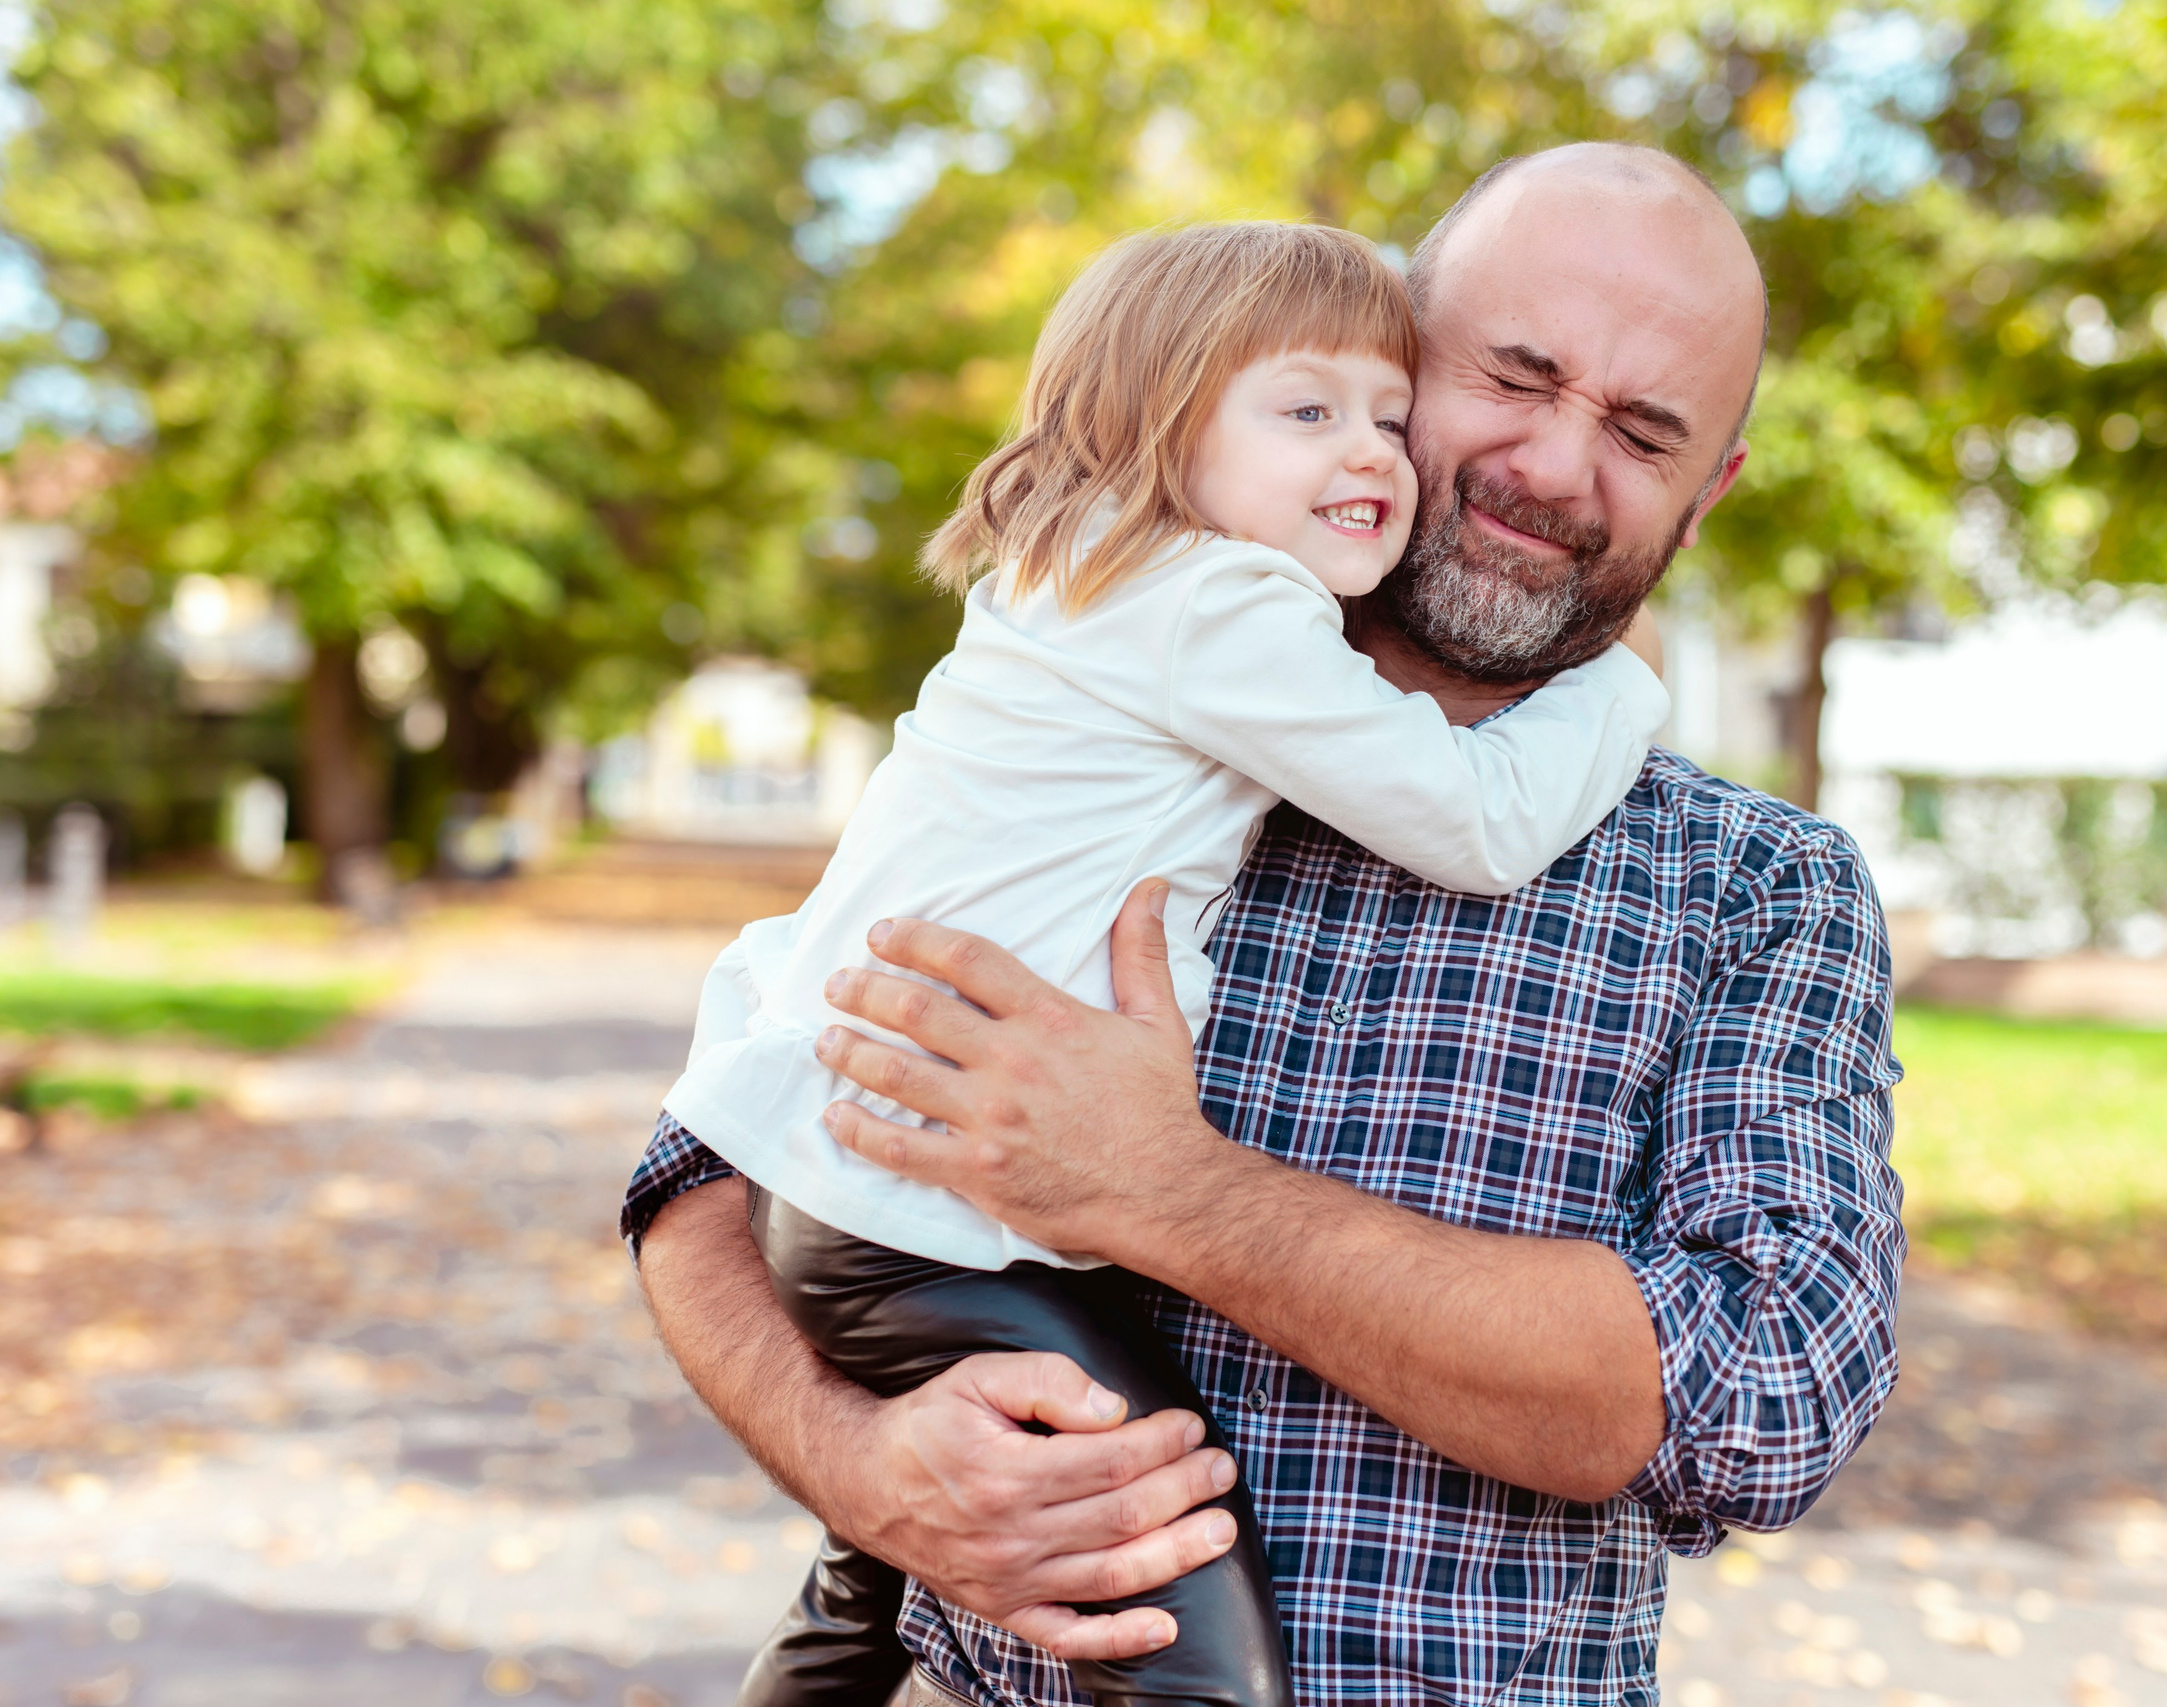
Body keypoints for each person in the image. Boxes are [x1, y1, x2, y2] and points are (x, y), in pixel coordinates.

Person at [626, 142, 1905, 1707]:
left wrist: (1171, 1193)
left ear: (1707, 497)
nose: (1560, 468)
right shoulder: (1114, 714)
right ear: (1396, 355)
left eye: (1643, 433)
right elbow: (711, 1162)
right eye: (1511, 376)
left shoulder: (1756, 886)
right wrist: (864, 1468)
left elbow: (1764, 1397)